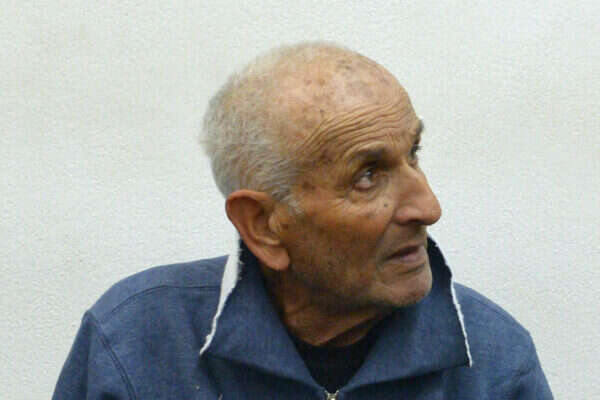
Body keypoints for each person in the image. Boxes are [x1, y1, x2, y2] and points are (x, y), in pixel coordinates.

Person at [53, 42, 553, 399]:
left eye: (413, 154)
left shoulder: (492, 361)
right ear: (264, 225)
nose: (428, 207)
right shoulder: (136, 343)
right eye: (367, 176)